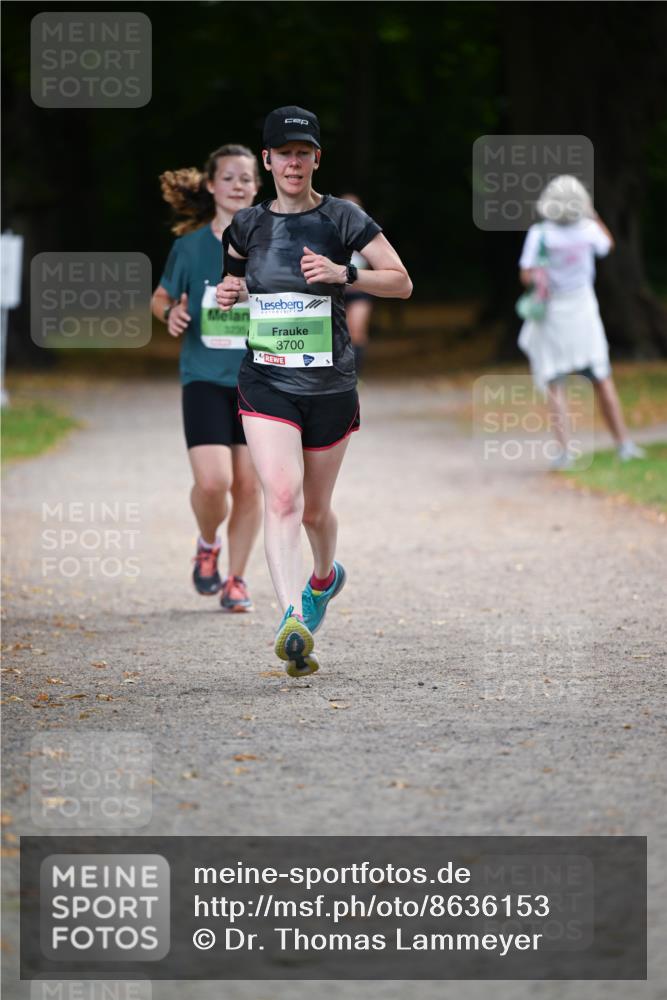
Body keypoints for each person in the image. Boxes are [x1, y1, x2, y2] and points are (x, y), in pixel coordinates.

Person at [216, 106, 412, 675]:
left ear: (316, 159)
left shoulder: (345, 219)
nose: (294, 161)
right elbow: (234, 277)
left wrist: (343, 274)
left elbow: (401, 282)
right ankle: (290, 618)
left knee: (316, 511)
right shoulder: (246, 226)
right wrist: (231, 293)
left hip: (329, 386)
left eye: (304, 152)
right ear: (268, 160)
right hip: (266, 380)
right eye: (284, 152)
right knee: (282, 497)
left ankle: (324, 578)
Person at [151, 145, 263, 610]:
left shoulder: (270, 242)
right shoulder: (190, 246)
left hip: (260, 377)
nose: (239, 185)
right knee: (215, 482)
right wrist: (170, 314)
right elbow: (161, 297)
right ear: (212, 186)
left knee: (249, 485)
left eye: (247, 179)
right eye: (230, 178)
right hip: (203, 376)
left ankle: (236, 579)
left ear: (258, 188)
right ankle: (206, 541)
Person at [518, 174, 645, 470]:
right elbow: (607, 245)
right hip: (584, 311)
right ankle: (623, 443)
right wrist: (594, 214)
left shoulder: (540, 234)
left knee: (553, 381)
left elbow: (526, 273)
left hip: (552, 314)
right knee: (601, 377)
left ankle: (565, 451)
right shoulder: (588, 229)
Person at [341, 193, 375, 375]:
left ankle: (355, 374)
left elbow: (374, 267)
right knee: (338, 336)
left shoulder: (368, 237)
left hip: (359, 293)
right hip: (336, 294)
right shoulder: (329, 235)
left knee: (357, 331)